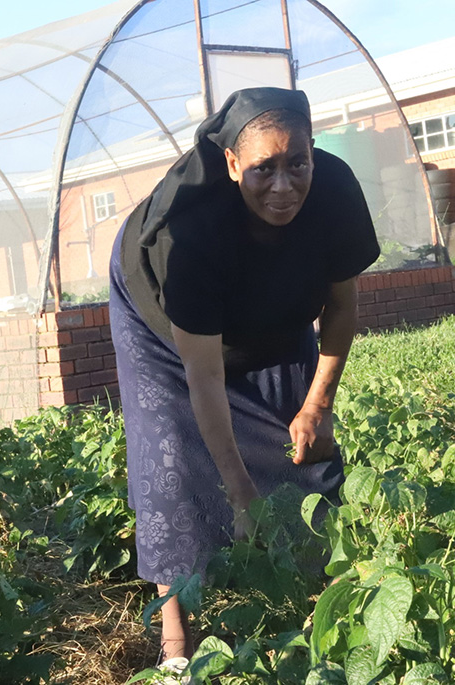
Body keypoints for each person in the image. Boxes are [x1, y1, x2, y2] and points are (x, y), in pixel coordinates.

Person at [108, 87, 379, 668]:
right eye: (262, 170)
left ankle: (318, 607)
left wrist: (317, 407)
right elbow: (203, 380)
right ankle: (176, 648)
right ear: (232, 164)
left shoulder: (333, 194)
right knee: (170, 458)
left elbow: (343, 309)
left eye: (297, 164)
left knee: (302, 444)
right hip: (161, 322)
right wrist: (239, 493)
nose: (283, 187)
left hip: (272, 304)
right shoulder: (192, 235)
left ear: (313, 152)